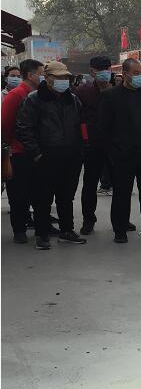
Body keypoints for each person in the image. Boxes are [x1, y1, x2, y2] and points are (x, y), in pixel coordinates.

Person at [16, 61, 86, 249]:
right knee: (43, 198)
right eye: (58, 77)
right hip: (45, 155)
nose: (63, 81)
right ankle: (42, 234)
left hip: (71, 155)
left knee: (66, 196)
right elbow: (23, 128)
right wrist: (37, 154)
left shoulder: (73, 99)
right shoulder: (34, 99)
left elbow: (81, 125)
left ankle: (67, 230)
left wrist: (80, 150)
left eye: (66, 77)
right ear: (47, 78)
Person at [97, 58, 141, 243]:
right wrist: (112, 151)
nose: (140, 76)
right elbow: (103, 127)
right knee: (122, 194)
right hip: (122, 154)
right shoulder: (110, 96)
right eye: (136, 73)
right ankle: (120, 230)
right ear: (125, 74)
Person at [2, 59, 45, 243]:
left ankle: (40, 227)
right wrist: (11, 144)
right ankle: (19, 230)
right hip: (19, 151)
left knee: (39, 192)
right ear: (30, 75)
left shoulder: (41, 94)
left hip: (38, 150)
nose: (43, 77)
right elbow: (5, 123)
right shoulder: (16, 95)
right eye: (41, 74)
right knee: (18, 194)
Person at [75, 56, 116, 235]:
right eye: (100, 69)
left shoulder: (117, 90)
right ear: (92, 71)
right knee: (90, 184)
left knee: (120, 183)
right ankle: (88, 220)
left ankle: (121, 219)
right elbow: (77, 119)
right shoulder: (82, 91)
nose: (104, 72)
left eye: (107, 68)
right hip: (92, 145)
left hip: (114, 144)